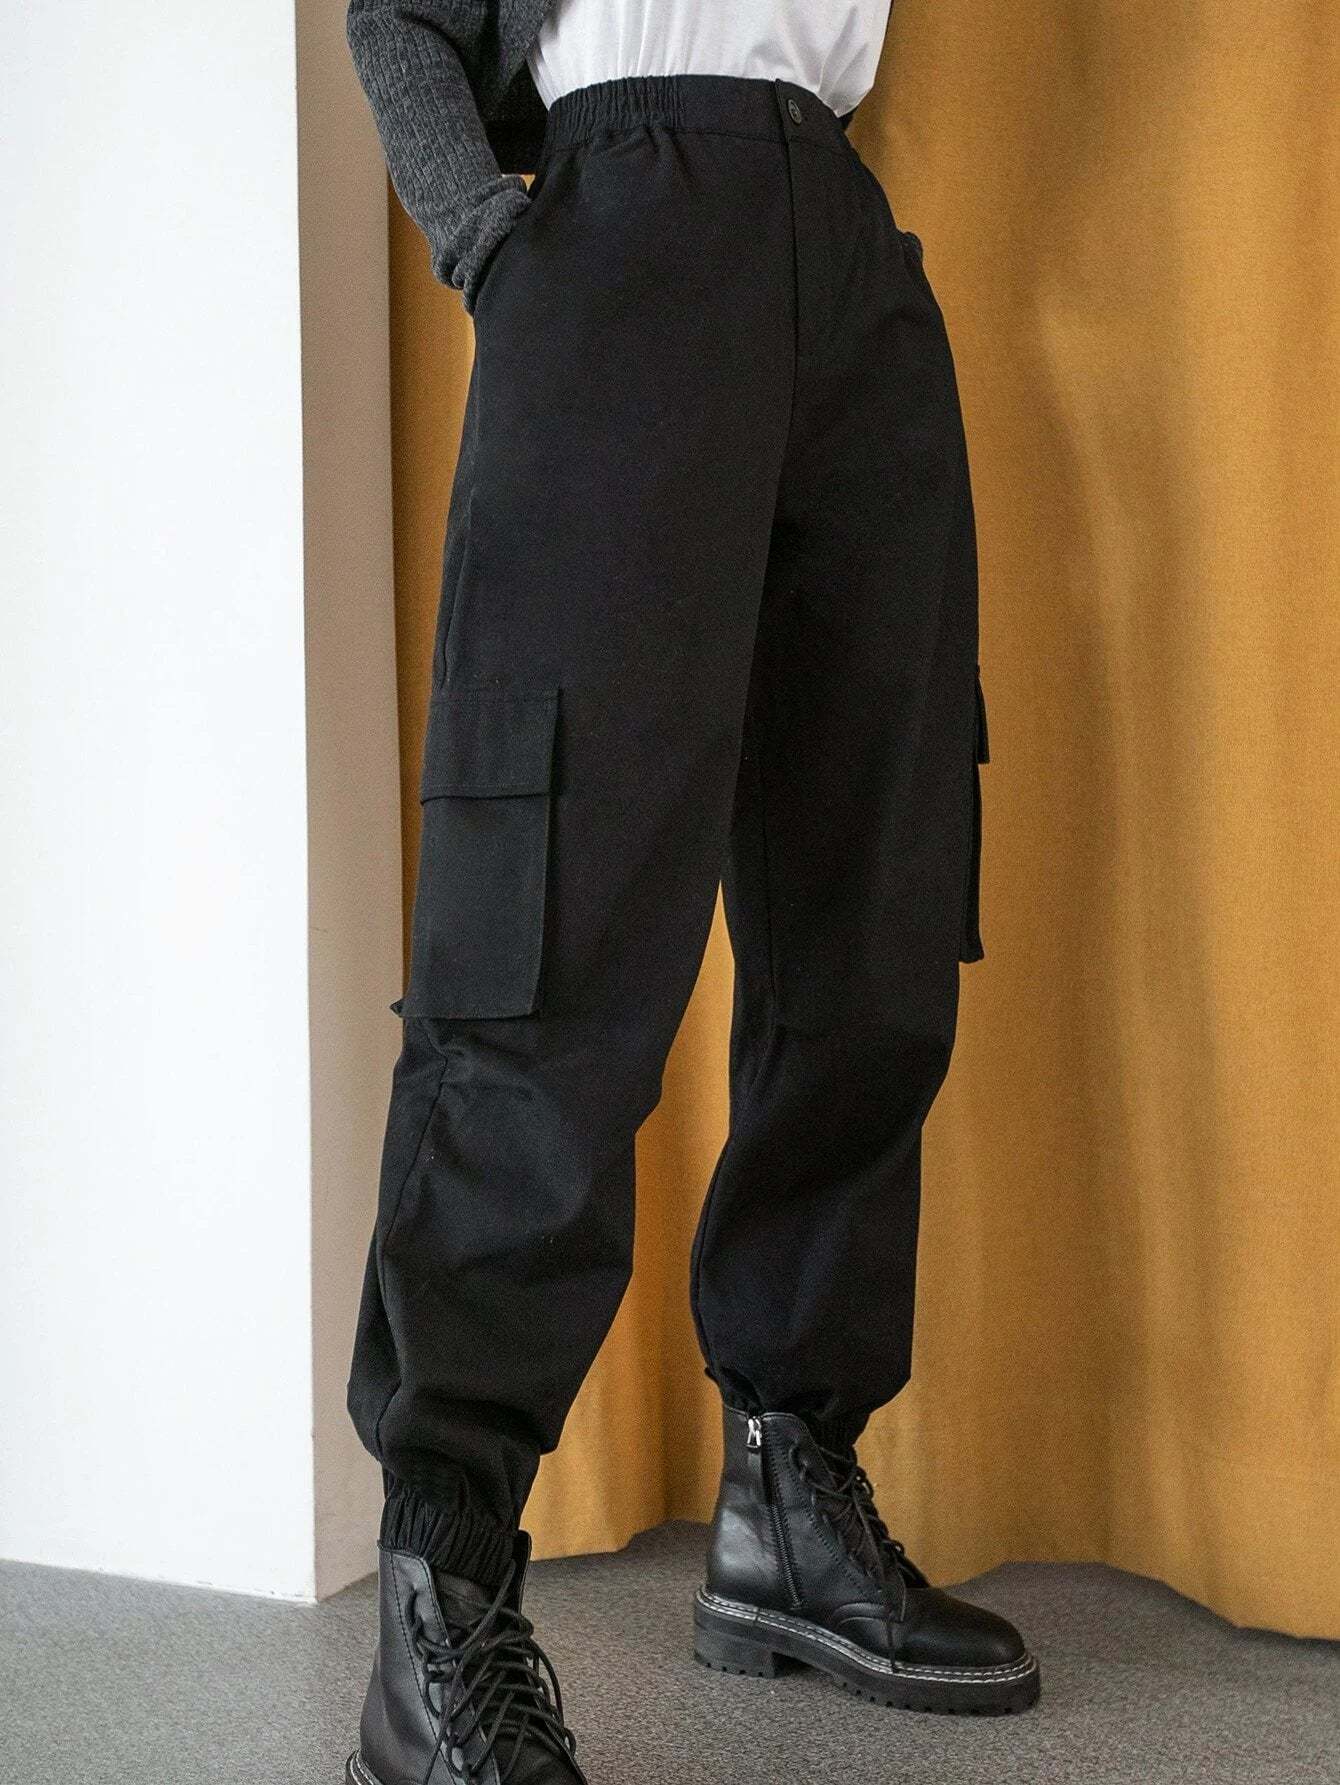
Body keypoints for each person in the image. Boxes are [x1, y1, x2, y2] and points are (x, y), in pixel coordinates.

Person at [342, 2, 1038, 1779]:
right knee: (549, 926)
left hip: (843, 250)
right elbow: (402, 13)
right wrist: (495, 244)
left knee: (873, 903)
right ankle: (442, 1585)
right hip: (622, 221)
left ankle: (791, 1496)